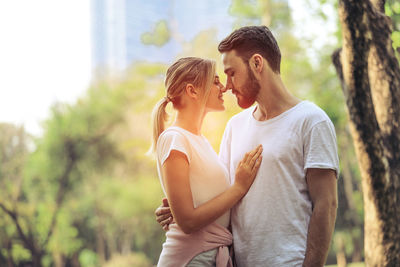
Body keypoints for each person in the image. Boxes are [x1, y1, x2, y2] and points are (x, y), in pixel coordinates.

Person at [156, 26, 339, 267]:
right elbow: (227, 195)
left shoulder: (312, 121)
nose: (227, 86)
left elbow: (326, 204)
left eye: (231, 73)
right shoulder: (235, 126)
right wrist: (182, 212)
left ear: (257, 63)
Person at [151, 57, 263, 267]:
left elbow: (198, 202)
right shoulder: (175, 138)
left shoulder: (200, 140)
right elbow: (188, 222)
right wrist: (239, 187)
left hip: (209, 256)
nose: (223, 88)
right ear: (192, 91)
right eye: (216, 81)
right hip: (191, 259)